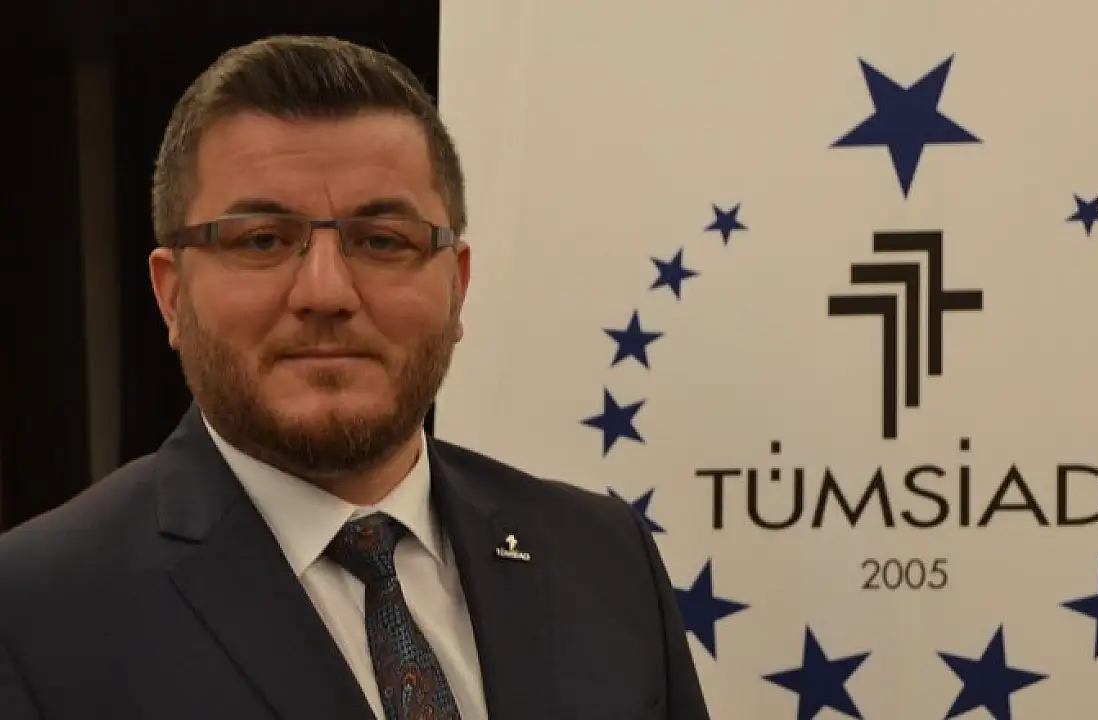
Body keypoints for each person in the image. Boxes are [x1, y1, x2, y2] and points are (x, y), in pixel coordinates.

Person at [0, 35, 710, 720]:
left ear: (457, 286)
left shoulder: (602, 557)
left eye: (381, 241)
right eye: (262, 240)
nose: (326, 292)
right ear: (171, 294)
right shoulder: (34, 612)